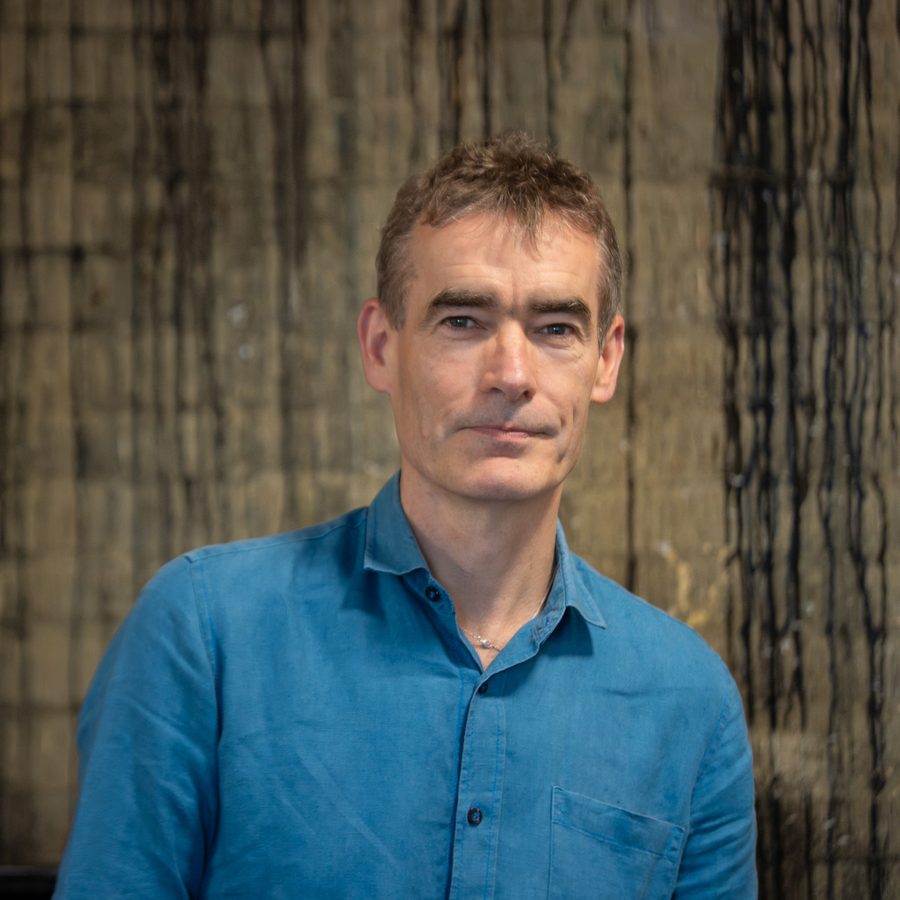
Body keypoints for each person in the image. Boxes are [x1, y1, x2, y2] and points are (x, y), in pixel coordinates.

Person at [54, 133, 757, 898]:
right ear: (381, 346)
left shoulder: (690, 703)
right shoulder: (203, 633)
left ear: (606, 360)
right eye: (463, 321)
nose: (511, 375)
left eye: (556, 328)